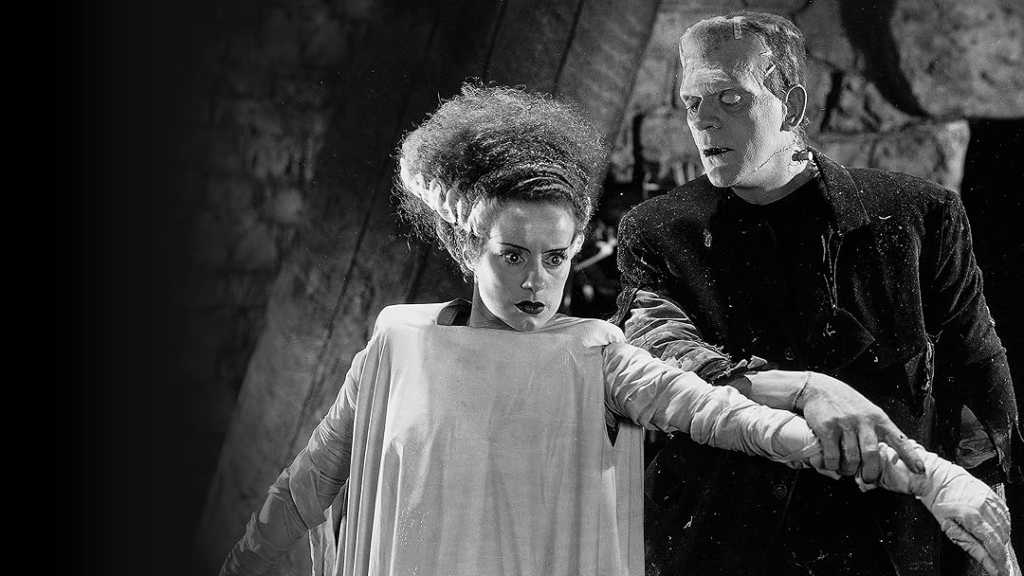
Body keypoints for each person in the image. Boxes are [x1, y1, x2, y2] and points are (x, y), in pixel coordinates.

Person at [219, 83, 1014, 576]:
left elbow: (745, 422)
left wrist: (931, 478)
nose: (536, 281)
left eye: (556, 258)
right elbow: (302, 493)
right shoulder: (398, 343)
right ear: (466, 247)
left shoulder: (598, 357)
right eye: (512, 255)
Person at [611, 11, 1023, 576]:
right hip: (725, 542)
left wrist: (986, 524)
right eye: (692, 102)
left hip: (883, 545)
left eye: (731, 99)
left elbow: (977, 379)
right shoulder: (658, 230)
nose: (704, 121)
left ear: (793, 107)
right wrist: (809, 390)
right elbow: (662, 364)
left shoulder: (919, 216)